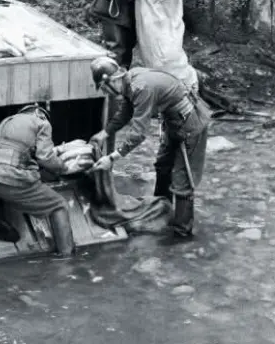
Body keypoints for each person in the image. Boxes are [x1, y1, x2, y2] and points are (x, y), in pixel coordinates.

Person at [88, 56, 211, 238]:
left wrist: (111, 158)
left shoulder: (141, 87)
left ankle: (182, 234)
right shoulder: (130, 81)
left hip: (191, 125)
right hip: (172, 123)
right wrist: (104, 133)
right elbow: (126, 113)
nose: (107, 93)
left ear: (114, 80)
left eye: (105, 88)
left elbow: (138, 134)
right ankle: (161, 213)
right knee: (162, 166)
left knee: (182, 182)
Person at [0, 103, 74, 257]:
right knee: (58, 205)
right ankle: (67, 257)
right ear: (39, 113)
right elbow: (45, 157)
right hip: (10, 178)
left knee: (0, 186)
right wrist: (63, 167)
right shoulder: (41, 122)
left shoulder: (6, 122)